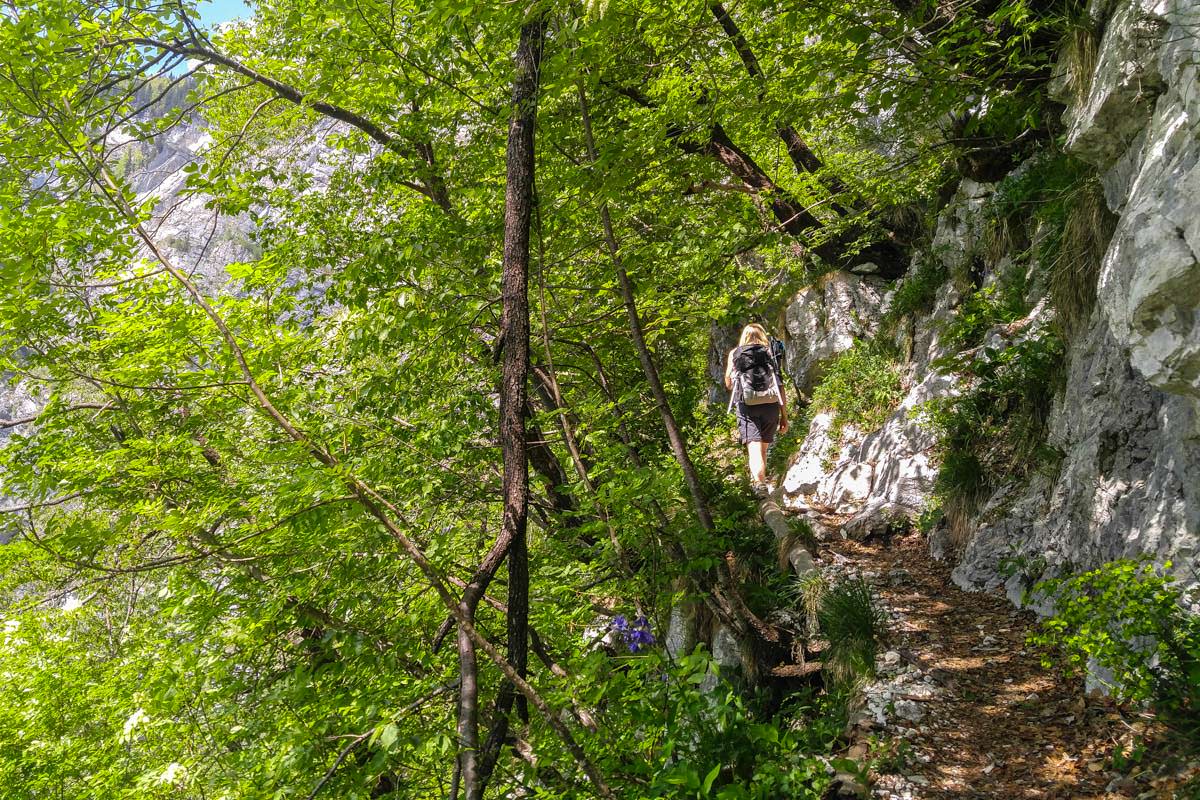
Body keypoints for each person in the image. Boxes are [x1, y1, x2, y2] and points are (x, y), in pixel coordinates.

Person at [725, 323, 788, 495]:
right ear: (762, 335)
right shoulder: (770, 352)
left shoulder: (735, 354)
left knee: (754, 449)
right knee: (763, 450)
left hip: (747, 407)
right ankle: (761, 483)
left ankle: (759, 486)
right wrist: (784, 417)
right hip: (771, 406)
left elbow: (729, 384)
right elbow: (780, 386)